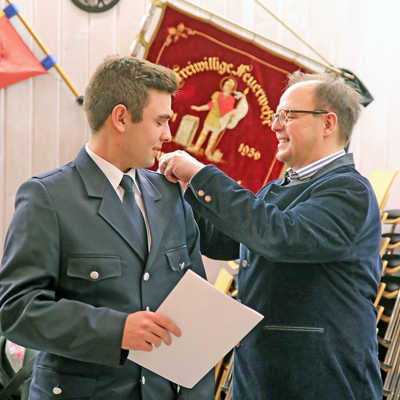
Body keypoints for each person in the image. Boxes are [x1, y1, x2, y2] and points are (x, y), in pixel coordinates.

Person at [159, 71, 383, 400]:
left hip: (319, 378)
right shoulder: (279, 188)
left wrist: (203, 176)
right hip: (264, 374)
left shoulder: (348, 191)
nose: (275, 125)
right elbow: (225, 240)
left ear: (328, 123)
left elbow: (280, 236)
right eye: (276, 115)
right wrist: (179, 195)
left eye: (287, 115)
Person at [0, 55, 213, 400]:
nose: (168, 135)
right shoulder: (48, 198)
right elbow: (16, 310)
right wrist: (116, 330)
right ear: (121, 117)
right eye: (160, 122)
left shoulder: (170, 193)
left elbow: (195, 311)